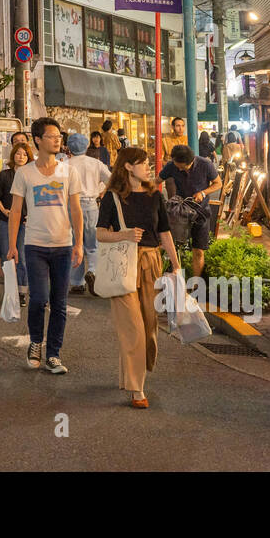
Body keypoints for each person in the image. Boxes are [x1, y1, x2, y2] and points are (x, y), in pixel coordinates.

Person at [96, 146, 177, 407]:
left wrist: (176, 266)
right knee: (133, 328)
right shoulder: (113, 197)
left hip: (151, 262)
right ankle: (136, 389)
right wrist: (124, 234)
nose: (149, 167)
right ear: (128, 166)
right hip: (123, 264)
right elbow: (99, 233)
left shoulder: (155, 195)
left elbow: (164, 232)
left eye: (148, 163)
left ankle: (128, 375)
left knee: (150, 328)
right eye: (143, 163)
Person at [7, 117, 82, 374]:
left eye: (59, 136)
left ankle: (54, 354)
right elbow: (16, 211)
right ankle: (36, 342)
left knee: (59, 303)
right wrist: (12, 245)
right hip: (35, 245)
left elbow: (76, 209)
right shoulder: (24, 173)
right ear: (38, 140)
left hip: (63, 245)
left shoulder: (68, 170)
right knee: (38, 299)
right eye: (52, 136)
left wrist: (79, 243)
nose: (57, 139)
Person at [159, 143, 222, 277]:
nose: (181, 170)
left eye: (183, 167)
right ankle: (173, 279)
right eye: (178, 167)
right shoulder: (171, 166)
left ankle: (195, 285)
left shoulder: (205, 164)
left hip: (201, 212)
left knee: (198, 250)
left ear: (191, 161)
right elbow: (156, 181)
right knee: (172, 247)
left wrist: (203, 193)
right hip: (179, 213)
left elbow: (218, 183)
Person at [65, 132, 111, 295]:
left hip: (70, 205)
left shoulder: (65, 163)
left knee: (74, 243)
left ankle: (77, 283)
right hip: (91, 204)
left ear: (69, 147)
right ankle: (92, 270)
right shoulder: (95, 163)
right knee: (93, 243)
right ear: (86, 146)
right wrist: (101, 191)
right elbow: (110, 181)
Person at [0, 141, 32, 304]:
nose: (21, 157)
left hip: (25, 222)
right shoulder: (5, 175)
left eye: (25, 154)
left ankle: (21, 291)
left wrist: (32, 216)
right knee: (5, 254)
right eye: (18, 153)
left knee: (21, 255)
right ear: (13, 155)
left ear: (29, 157)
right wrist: (4, 210)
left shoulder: (31, 175)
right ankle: (10, 289)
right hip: (6, 220)